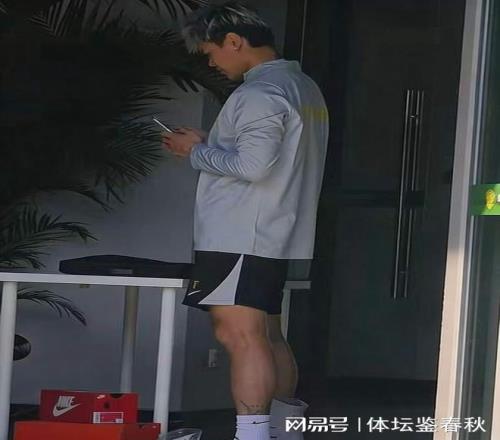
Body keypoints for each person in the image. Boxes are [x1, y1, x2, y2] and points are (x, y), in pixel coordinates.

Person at [163, 2, 329, 439]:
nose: (211, 63)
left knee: (239, 335)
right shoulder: (302, 87)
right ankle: (283, 430)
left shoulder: (259, 93)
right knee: (267, 333)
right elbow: (269, 155)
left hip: (239, 232)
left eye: (211, 52)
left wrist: (194, 152)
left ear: (234, 41)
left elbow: (253, 166)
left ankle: (252, 433)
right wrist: (211, 142)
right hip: (275, 230)